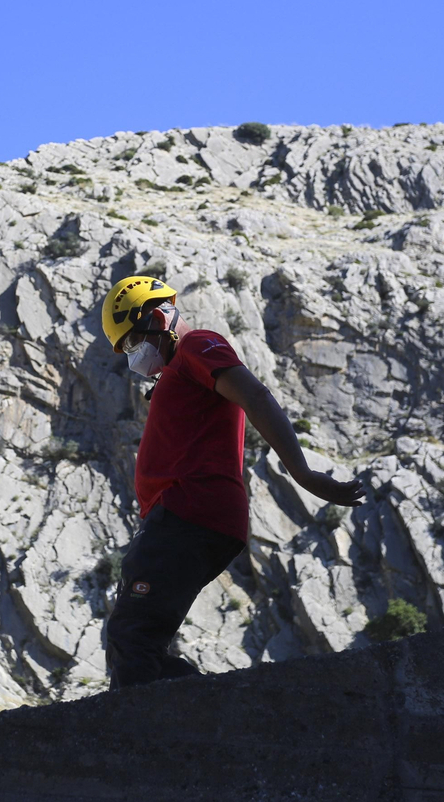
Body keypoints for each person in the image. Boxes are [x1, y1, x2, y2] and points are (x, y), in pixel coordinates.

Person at [99, 274, 365, 688]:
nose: (133, 355)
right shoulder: (175, 369)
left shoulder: (195, 344)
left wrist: (302, 472)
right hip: (180, 516)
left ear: (157, 317)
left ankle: (146, 740)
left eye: (134, 341)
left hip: (187, 510)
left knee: (132, 637)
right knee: (139, 646)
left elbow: (255, 396)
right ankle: (206, 713)